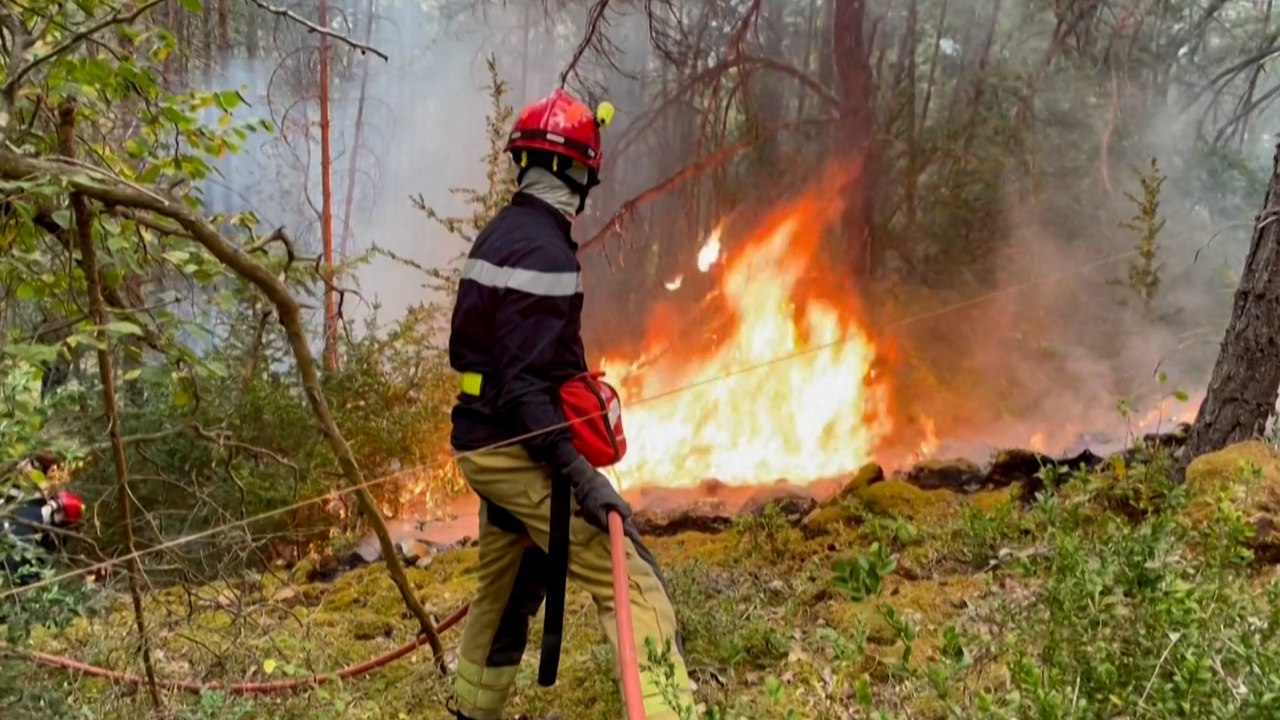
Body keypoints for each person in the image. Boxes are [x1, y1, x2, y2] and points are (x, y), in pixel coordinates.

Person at [445, 88, 694, 720]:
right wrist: (581, 477)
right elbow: (526, 387)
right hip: (513, 449)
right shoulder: (547, 254)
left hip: (482, 441)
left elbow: (508, 364)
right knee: (631, 580)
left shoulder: (498, 236)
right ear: (574, 174)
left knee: (501, 594)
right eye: (585, 174)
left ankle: (472, 709)